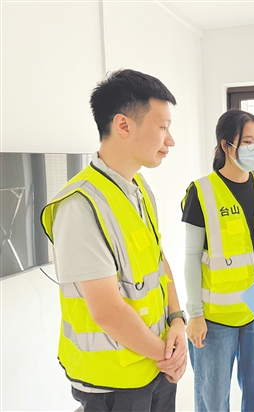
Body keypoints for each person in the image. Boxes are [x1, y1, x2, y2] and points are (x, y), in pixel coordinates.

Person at [41, 69, 187, 412]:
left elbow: (158, 260)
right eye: (162, 127)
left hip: (155, 364)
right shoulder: (80, 205)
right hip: (113, 382)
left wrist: (177, 320)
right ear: (123, 125)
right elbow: (107, 311)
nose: (170, 140)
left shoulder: (138, 188)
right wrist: (167, 355)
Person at [181, 109, 254, 411]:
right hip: (216, 316)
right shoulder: (202, 191)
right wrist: (194, 314)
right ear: (226, 145)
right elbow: (191, 256)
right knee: (213, 398)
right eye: (247, 141)